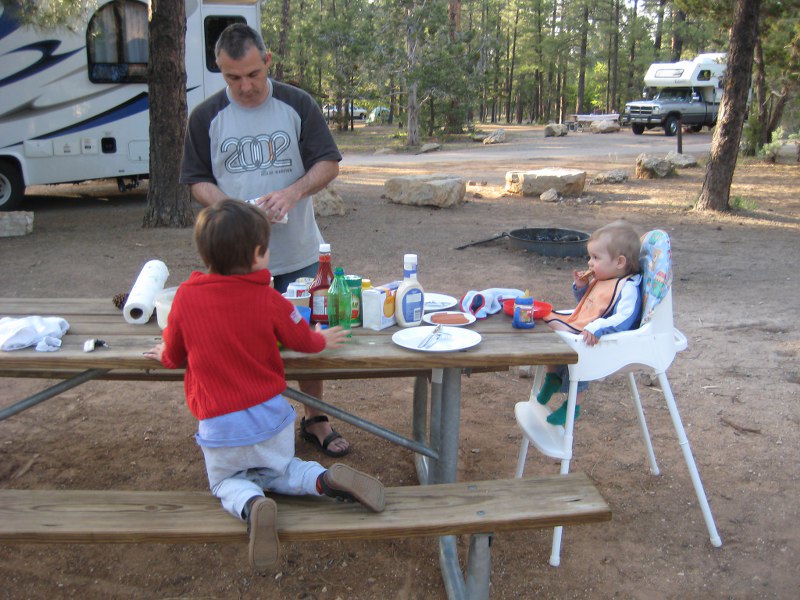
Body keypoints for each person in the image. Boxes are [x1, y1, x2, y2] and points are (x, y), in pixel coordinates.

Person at [144, 200, 385, 571]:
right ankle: (323, 480)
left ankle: (253, 505)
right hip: (270, 417)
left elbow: (175, 356)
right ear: (257, 254)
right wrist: (322, 338)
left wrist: (162, 352)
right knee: (282, 469)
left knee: (227, 482)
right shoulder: (269, 298)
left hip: (221, 424)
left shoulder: (186, 299)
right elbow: (302, 339)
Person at [180, 23, 350, 457]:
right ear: (220, 70)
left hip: (297, 252)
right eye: (233, 77)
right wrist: (233, 210)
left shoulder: (296, 103)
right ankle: (247, 425)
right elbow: (196, 179)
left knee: (308, 335)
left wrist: (293, 192)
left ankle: (315, 418)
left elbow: (328, 163)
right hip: (234, 262)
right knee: (237, 346)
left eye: (253, 74)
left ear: (267, 61)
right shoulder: (206, 116)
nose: (245, 86)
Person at [538, 221, 643, 426]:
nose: (589, 263)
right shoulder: (603, 278)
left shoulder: (627, 287)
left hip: (601, 337)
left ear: (619, 262)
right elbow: (589, 304)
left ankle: (573, 405)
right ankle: (553, 377)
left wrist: (598, 327)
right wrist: (581, 288)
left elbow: (625, 318)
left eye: (595, 257)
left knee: (579, 352)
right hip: (585, 325)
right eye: (590, 257)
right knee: (547, 322)